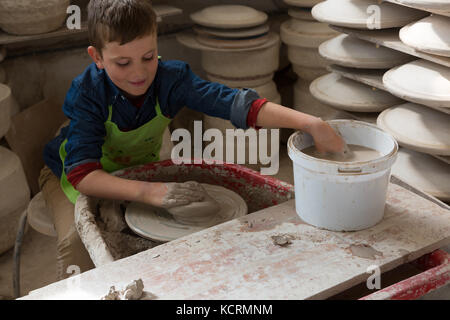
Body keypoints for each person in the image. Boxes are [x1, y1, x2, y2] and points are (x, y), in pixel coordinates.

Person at [39, 0, 346, 280]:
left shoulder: (171, 79)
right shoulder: (89, 93)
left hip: (138, 169)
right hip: (73, 175)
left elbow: (235, 103)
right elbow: (83, 174)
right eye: (123, 63)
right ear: (98, 57)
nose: (139, 73)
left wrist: (311, 123)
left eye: (148, 57)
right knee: (79, 242)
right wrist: (150, 192)